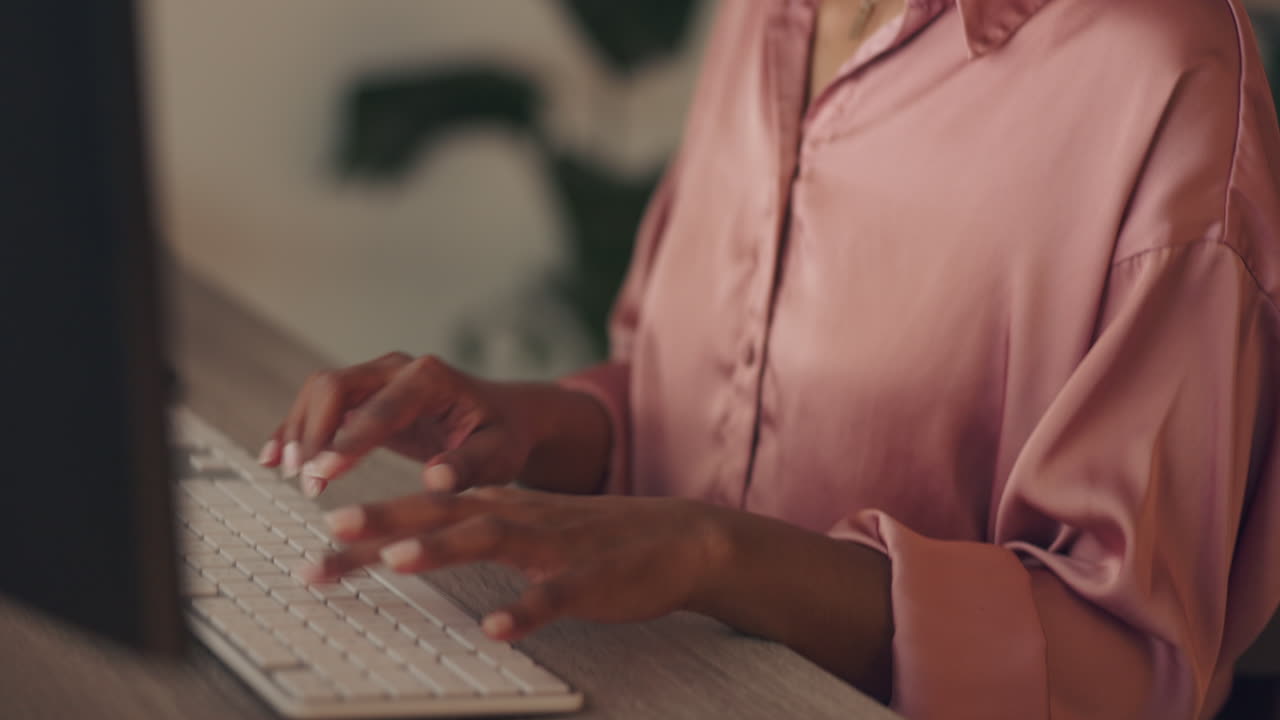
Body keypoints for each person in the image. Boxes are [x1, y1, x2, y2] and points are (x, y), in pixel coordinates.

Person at [258, 1, 1280, 717]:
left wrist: (716, 555)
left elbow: (1126, 670)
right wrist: (538, 425)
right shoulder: (764, 15)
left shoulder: (1159, 69)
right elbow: (713, 403)